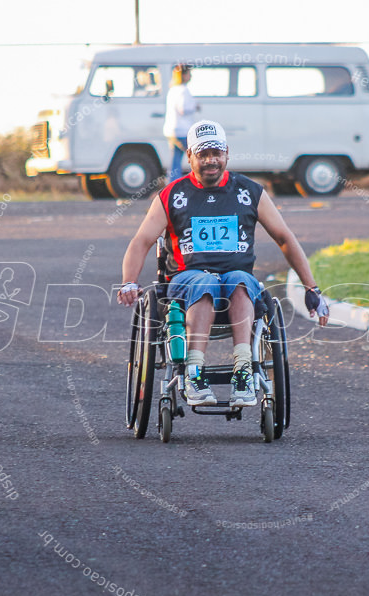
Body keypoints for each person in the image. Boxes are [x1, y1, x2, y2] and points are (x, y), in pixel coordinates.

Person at [118, 119, 329, 407]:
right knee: (204, 281)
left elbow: (284, 237)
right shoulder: (172, 195)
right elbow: (142, 241)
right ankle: (194, 372)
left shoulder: (250, 192)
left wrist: (311, 288)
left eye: (216, 153)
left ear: (227, 153)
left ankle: (243, 370)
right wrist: (130, 281)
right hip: (186, 280)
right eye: (202, 154)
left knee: (239, 280)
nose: (211, 161)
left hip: (235, 279)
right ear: (190, 156)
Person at [162, 64, 198, 182]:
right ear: (183, 75)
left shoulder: (172, 89)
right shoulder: (183, 90)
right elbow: (183, 108)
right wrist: (195, 106)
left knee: (175, 160)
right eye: (189, 73)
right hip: (182, 130)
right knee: (197, 156)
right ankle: (200, 181)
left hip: (171, 130)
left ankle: (172, 183)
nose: (191, 76)